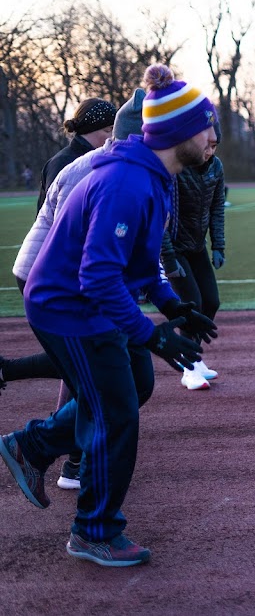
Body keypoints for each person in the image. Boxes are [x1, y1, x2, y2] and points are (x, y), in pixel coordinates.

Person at [0, 64, 218, 567]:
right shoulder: (128, 183)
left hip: (84, 303)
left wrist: (171, 304)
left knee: (131, 388)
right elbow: (97, 277)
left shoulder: (153, 177)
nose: (213, 138)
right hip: (66, 307)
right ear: (179, 132)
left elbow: (140, 262)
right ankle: (94, 530)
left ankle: (31, 446)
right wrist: (152, 336)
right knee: (115, 413)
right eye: (206, 127)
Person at [10, 87, 148, 491]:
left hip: (79, 283)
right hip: (58, 283)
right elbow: (76, 244)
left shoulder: (126, 167)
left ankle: (47, 449)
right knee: (102, 385)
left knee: (120, 381)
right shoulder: (86, 167)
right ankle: (72, 465)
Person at [162, 120, 227, 389]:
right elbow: (161, 217)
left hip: (197, 247)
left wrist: (218, 245)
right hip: (174, 248)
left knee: (211, 302)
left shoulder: (216, 167)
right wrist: (168, 258)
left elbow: (217, 207)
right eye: (206, 146)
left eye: (214, 146)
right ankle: (188, 368)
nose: (210, 152)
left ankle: (194, 358)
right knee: (192, 304)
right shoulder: (177, 169)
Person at [37, 98, 117, 211]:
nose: (113, 137)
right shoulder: (62, 163)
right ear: (91, 129)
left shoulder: (103, 160)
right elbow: (53, 213)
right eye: (108, 130)